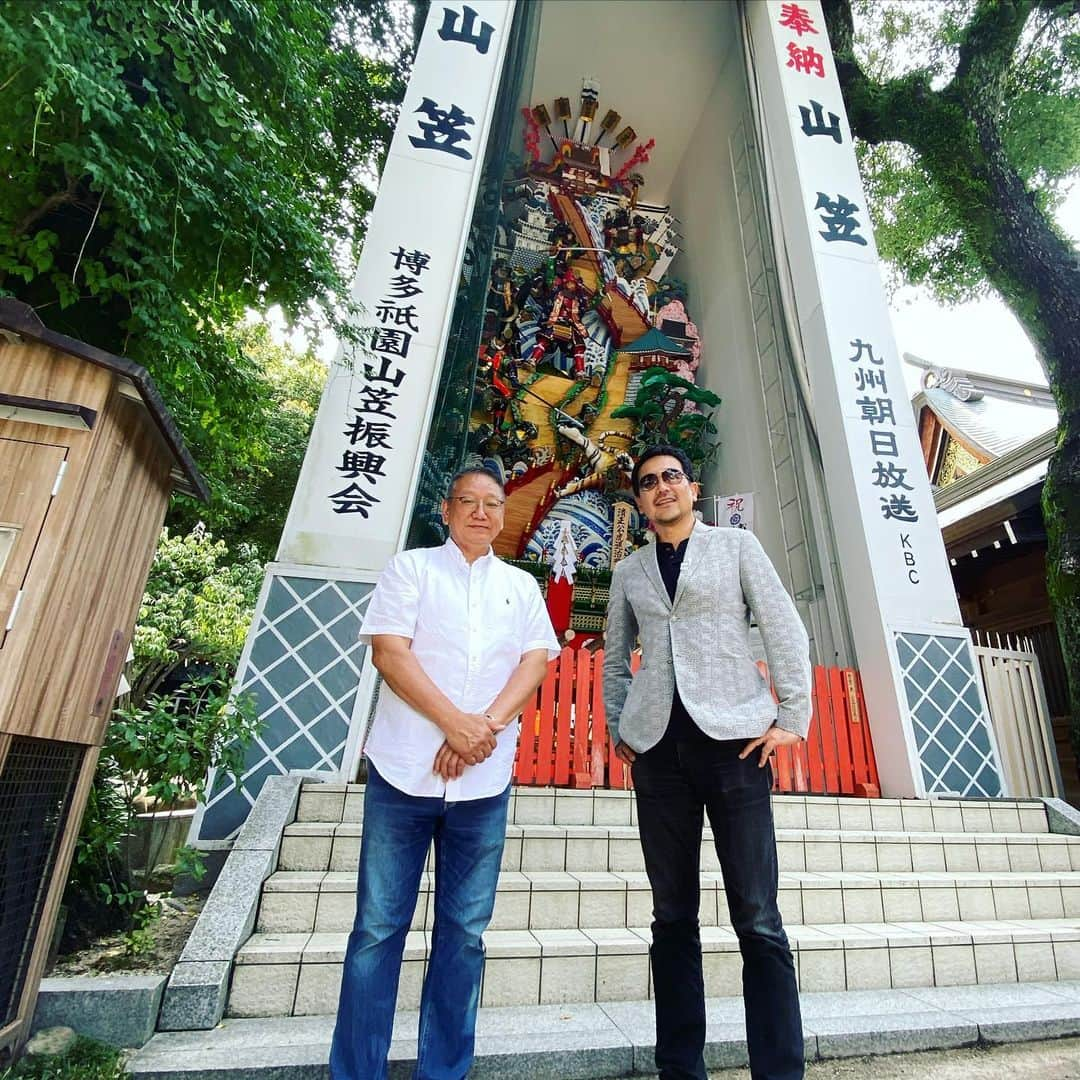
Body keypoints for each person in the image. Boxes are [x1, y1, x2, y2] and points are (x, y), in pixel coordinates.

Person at [330, 467, 559, 1080]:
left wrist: (479, 728)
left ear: (503, 516)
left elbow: (535, 660)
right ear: (447, 508)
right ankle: (356, 1072)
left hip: (482, 786)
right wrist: (454, 724)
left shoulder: (520, 586)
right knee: (378, 930)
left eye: (493, 504)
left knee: (463, 936)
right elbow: (390, 653)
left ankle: (445, 1071)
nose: (481, 513)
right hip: (403, 777)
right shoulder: (411, 570)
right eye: (470, 502)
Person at [603, 445, 811, 1080]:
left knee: (758, 916)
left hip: (735, 746)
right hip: (659, 753)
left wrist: (791, 719)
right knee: (672, 917)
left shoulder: (736, 548)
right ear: (638, 502)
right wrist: (620, 727)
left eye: (671, 478)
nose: (662, 488)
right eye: (648, 483)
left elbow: (783, 627)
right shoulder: (629, 571)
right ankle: (680, 1069)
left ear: (692, 488)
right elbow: (615, 658)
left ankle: (778, 1071)